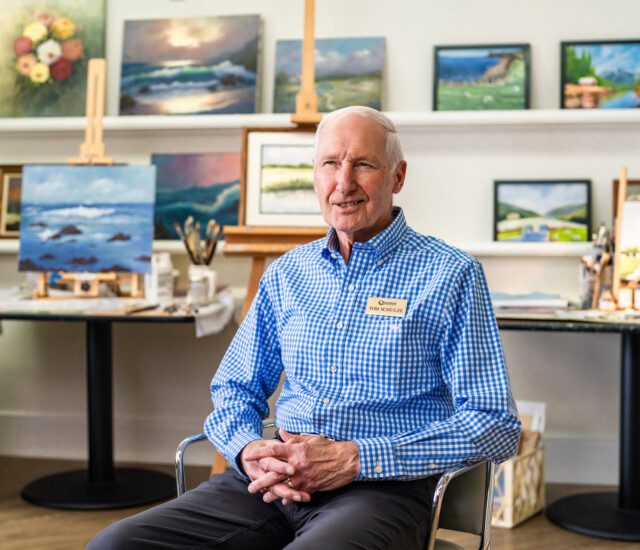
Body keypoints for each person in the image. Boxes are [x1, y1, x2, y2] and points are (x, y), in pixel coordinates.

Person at [88, 106, 521, 549]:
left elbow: (495, 424)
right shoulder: (287, 273)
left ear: (398, 176)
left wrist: (355, 459)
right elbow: (235, 388)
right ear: (315, 175)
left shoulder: (451, 275)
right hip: (270, 482)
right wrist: (247, 451)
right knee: (113, 546)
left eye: (364, 165)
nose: (343, 183)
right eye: (330, 164)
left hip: (382, 489)